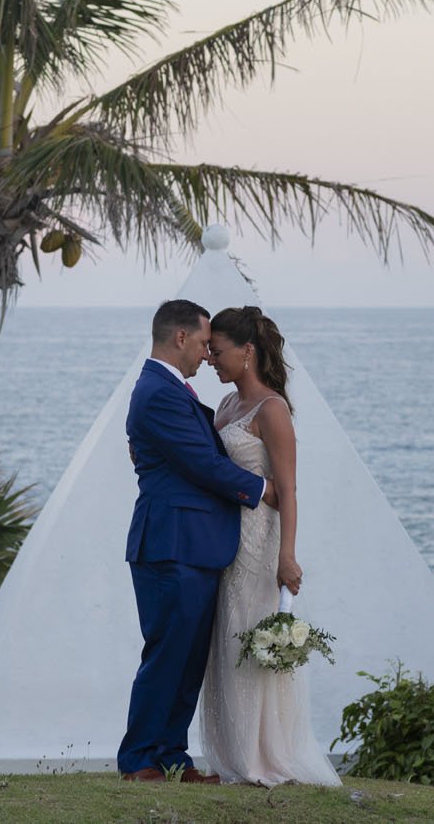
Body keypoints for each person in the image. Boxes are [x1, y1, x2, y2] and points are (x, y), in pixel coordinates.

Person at [118, 299, 277, 783]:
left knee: (189, 659)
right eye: (205, 343)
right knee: (168, 654)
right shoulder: (158, 391)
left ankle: (172, 756)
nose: (208, 355)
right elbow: (202, 463)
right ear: (181, 337)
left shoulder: (169, 390)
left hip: (195, 544)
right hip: (172, 543)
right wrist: (262, 489)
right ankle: (139, 758)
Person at [197, 305, 341, 787]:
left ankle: (260, 757)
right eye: (208, 351)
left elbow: (289, 489)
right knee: (224, 641)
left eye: (218, 352)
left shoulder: (272, 409)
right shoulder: (225, 405)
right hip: (224, 538)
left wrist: (287, 556)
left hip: (259, 543)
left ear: (248, 351)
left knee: (249, 638)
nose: (210, 360)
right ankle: (230, 755)